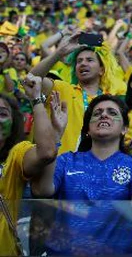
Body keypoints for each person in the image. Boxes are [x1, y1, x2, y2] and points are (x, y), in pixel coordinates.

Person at [35, 94, 132, 256]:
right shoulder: (67, 160)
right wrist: (56, 134)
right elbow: (42, 190)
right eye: (97, 113)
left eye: (112, 113)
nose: (104, 115)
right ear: (88, 130)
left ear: (124, 129)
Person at [29, 33, 125, 153]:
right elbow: (31, 80)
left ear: (102, 69)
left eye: (89, 60)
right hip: (55, 166)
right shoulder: (61, 88)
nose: (83, 63)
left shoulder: (110, 102)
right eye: (79, 61)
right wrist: (59, 53)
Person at [0, 77, 61, 255]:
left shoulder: (16, 155)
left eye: (2, 113)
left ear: (13, 124)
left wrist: (36, 99)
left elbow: (47, 152)